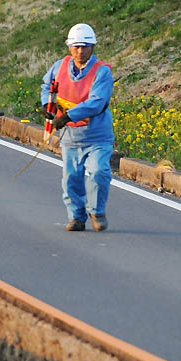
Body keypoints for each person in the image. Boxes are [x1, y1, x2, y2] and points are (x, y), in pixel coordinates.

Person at [40, 23, 114, 232]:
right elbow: (47, 86)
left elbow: (97, 102)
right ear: (70, 47)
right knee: (71, 178)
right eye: (76, 47)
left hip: (97, 136)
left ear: (92, 47)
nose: (80, 51)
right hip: (71, 137)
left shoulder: (102, 72)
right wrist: (47, 104)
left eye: (85, 46)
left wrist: (69, 116)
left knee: (98, 172)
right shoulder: (59, 66)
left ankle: (97, 212)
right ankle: (76, 217)